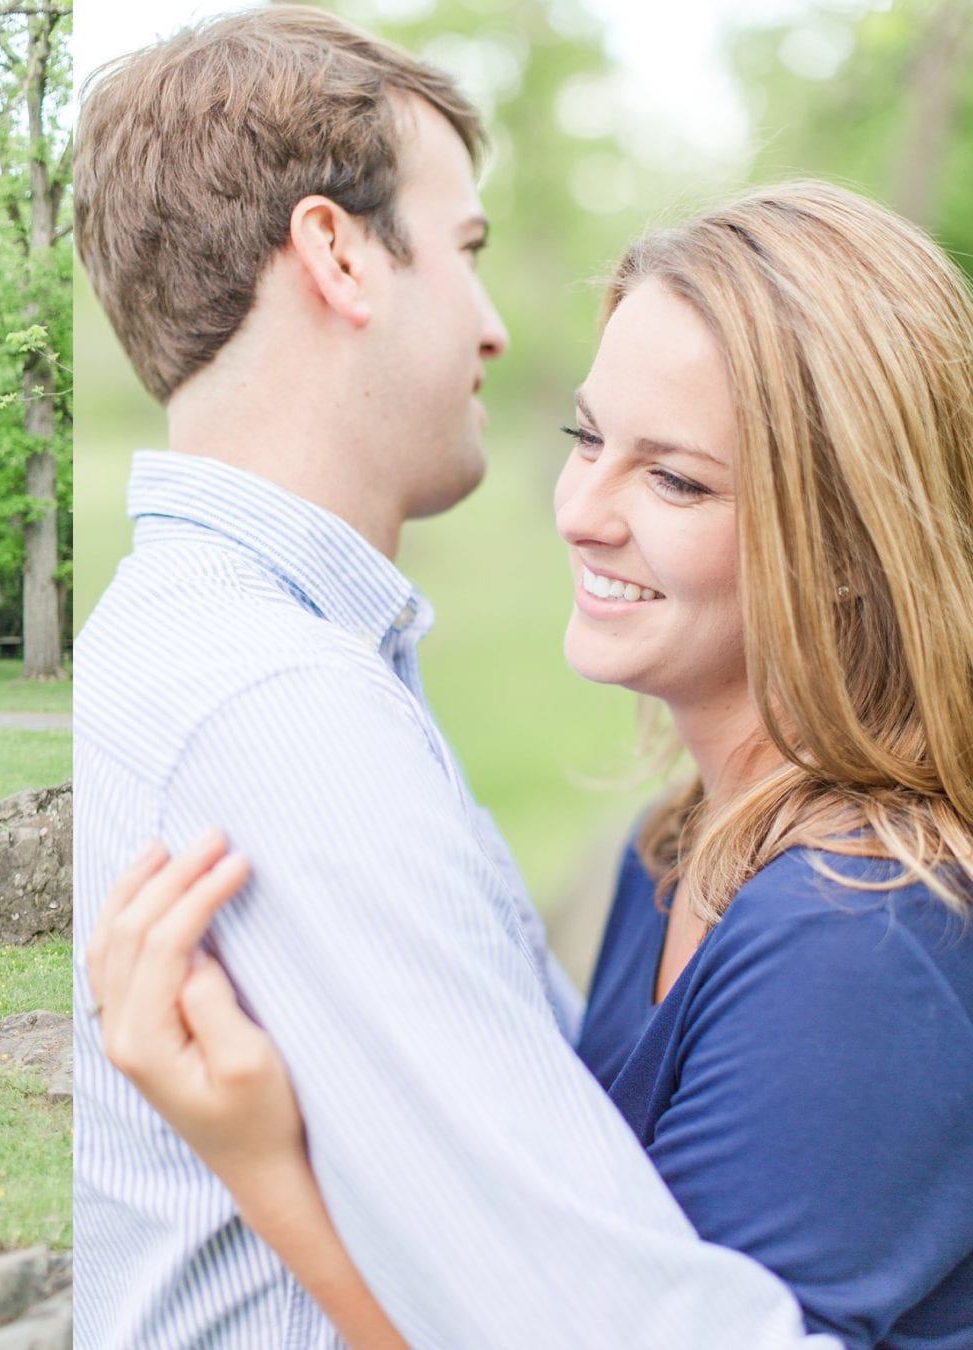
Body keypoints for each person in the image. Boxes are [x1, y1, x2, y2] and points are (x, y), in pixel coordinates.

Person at [88, 182, 973, 1347]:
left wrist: (266, 1171)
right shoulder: (679, 847)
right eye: (587, 438)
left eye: (676, 479)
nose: (582, 512)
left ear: (848, 550)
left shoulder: (868, 930)